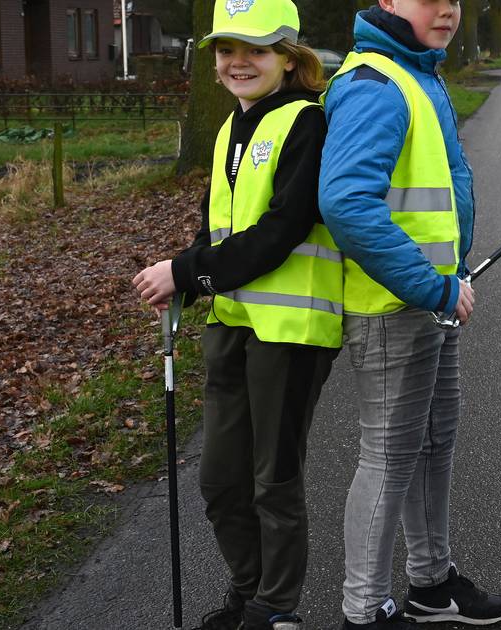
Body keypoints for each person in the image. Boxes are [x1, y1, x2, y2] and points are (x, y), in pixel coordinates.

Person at [131, 1, 342, 628]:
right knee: (221, 482)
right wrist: (187, 280)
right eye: (226, 50)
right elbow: (214, 227)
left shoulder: (307, 122)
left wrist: (188, 270)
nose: (238, 62)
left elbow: (281, 229)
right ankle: (248, 592)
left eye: (255, 49)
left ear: (288, 56)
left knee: (272, 482)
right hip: (230, 323)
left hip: (292, 330)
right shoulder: (229, 126)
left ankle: (276, 610)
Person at [317, 1, 501, 628]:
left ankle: (431, 584)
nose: (448, 9)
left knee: (432, 445)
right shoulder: (375, 83)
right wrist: (432, 287)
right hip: (393, 307)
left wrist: (442, 284)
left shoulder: (419, 74)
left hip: (429, 300)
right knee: (389, 455)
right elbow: (346, 203)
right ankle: (364, 609)